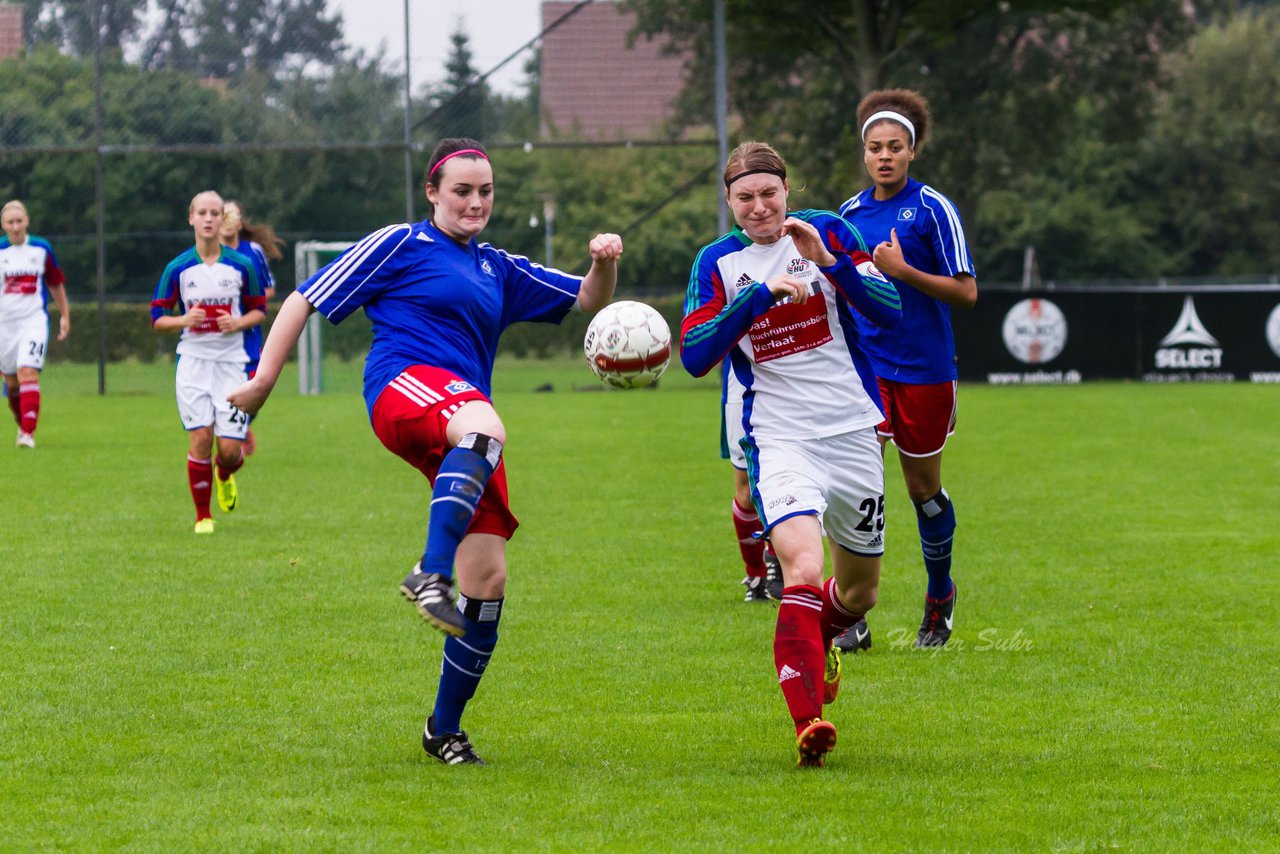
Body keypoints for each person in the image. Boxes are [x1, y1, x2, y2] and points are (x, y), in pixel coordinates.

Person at [228, 137, 623, 766]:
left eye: (485, 191)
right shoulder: (400, 243)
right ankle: (428, 572)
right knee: (486, 427)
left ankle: (443, 730)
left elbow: (587, 299)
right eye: (461, 191)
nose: (475, 202)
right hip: (403, 385)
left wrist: (604, 261)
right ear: (433, 192)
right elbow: (304, 297)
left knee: (488, 579)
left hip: (464, 426)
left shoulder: (499, 266)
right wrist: (264, 381)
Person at [681, 141, 901, 767]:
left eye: (768, 193)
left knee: (858, 594)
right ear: (729, 201)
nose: (758, 207)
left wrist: (831, 263)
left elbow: (890, 309)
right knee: (802, 568)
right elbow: (695, 356)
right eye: (744, 197)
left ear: (786, 191)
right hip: (779, 438)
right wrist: (757, 298)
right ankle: (809, 723)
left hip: (853, 432)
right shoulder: (717, 262)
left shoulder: (828, 231)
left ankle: (820, 637)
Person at [835, 89, 977, 650]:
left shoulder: (935, 209)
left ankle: (939, 598)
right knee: (855, 490)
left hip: (924, 370)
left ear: (912, 151)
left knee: (924, 492)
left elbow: (966, 292)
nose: (885, 156)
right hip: (866, 372)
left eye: (895, 147)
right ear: (864, 153)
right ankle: (853, 615)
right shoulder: (848, 214)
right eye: (875, 148)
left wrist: (902, 270)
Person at [150, 190, 266, 534]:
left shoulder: (242, 265)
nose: (209, 218)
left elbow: (259, 310)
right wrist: (183, 320)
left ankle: (225, 473)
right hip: (194, 364)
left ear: (221, 219)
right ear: (191, 218)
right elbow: (157, 317)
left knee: (229, 451)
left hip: (232, 365)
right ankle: (203, 516)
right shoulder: (178, 268)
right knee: (201, 438)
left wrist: (238, 322)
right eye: (202, 212)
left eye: (215, 212)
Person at [1, 200, 70, 449]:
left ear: (27, 221)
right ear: (4, 225)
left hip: (33, 320)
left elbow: (55, 283)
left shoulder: (41, 248)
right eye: (10, 222)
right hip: (4, 325)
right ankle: (22, 425)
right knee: (11, 383)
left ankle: (29, 434)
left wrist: (65, 315)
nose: (16, 226)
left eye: (19, 221)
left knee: (27, 371)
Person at [218, 199, 285, 456]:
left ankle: (242, 426)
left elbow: (268, 288)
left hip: (248, 334)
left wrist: (246, 304)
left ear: (239, 219)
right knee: (222, 392)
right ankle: (232, 436)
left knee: (257, 385)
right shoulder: (210, 255)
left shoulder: (253, 251)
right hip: (219, 337)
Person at [723, 364, 783, 602]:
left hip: (794, 372)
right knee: (747, 490)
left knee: (785, 477)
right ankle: (756, 574)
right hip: (743, 373)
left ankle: (776, 558)